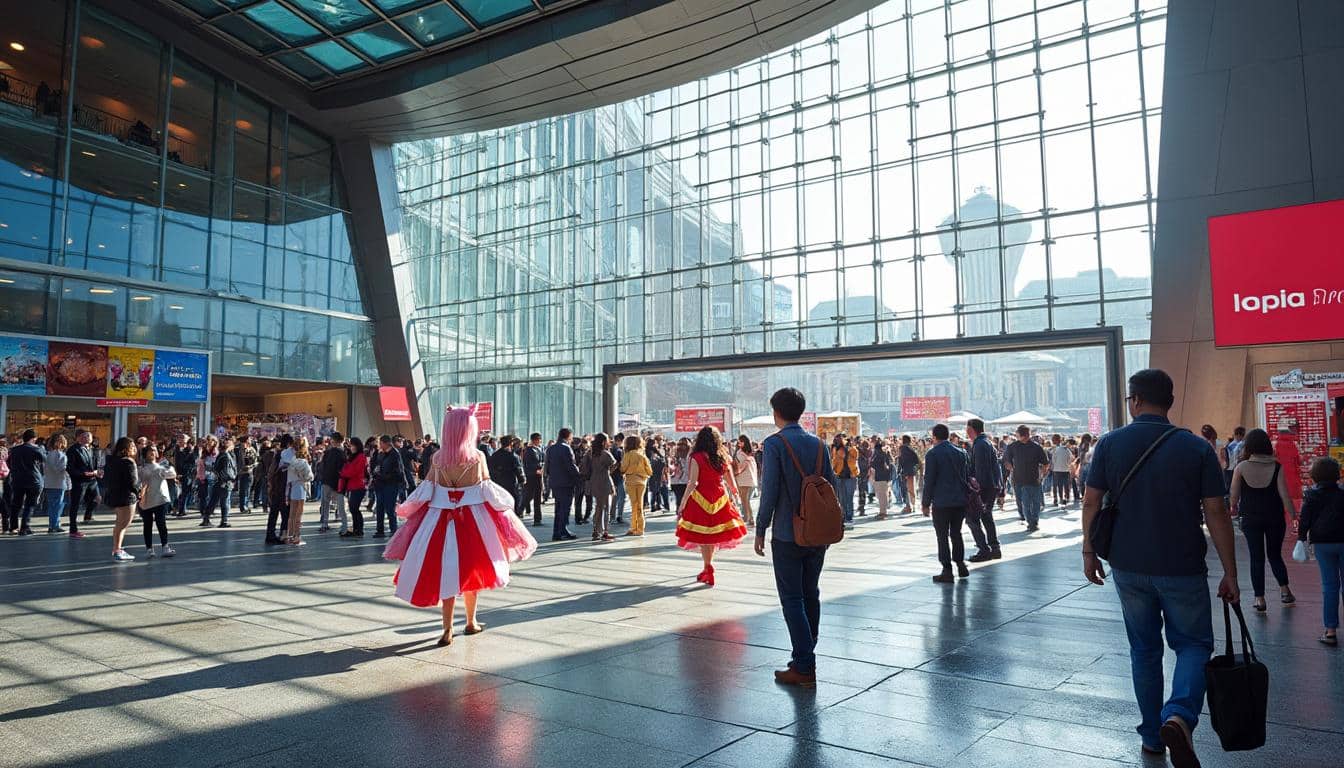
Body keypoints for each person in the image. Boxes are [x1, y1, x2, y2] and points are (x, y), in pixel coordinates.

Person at [1081, 368, 1239, 767]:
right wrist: (1231, 572)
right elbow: (1217, 512)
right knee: (1193, 644)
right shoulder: (1195, 448)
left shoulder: (1110, 443)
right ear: (1169, 402)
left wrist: (1088, 551)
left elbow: (1091, 502)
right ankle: (1180, 716)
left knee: (1144, 650)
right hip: (1182, 564)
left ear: (1134, 400)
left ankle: (1153, 735)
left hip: (1128, 565)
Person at [383, 406, 537, 646]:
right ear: (468, 430)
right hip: (474, 522)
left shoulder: (436, 458)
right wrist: (507, 505)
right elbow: (487, 488)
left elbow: (426, 490)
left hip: (438, 521)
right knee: (471, 572)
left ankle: (447, 630)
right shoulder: (477, 458)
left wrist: (407, 508)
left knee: (445, 572)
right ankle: (471, 621)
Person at [754, 388, 835, 687]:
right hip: (817, 532)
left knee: (791, 597)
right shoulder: (818, 444)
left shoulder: (774, 444)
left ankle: (803, 665)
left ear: (776, 412)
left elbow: (770, 490)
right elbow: (831, 486)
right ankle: (805, 653)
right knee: (810, 592)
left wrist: (761, 527)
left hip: (788, 534)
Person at [1228, 428, 1296, 612]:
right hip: (1274, 517)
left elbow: (1234, 496)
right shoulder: (1277, 466)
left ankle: (1260, 598)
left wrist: (1233, 508)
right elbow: (1284, 494)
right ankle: (1285, 590)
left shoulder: (1241, 467)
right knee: (1274, 555)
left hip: (1250, 518)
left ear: (1248, 446)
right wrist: (1294, 515)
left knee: (1256, 557)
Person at [674, 426, 748, 585]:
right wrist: (735, 493)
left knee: (703, 536)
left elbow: (693, 482)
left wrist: (683, 502)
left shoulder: (696, 457)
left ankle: (708, 567)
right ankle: (708, 568)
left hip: (700, 499)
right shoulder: (722, 455)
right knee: (713, 536)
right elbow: (729, 479)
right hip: (720, 498)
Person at [1297, 457, 1344, 646]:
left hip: (1323, 543)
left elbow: (1305, 519)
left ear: (1315, 476)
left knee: (1329, 586)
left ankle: (1330, 630)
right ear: (1337, 475)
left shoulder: (1311, 495)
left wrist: (1301, 538)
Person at [922, 424, 971, 583]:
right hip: (959, 500)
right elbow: (967, 475)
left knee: (942, 536)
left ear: (934, 436)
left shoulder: (933, 454)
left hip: (942, 501)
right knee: (956, 533)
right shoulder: (961, 452)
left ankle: (947, 569)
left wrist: (925, 502)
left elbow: (929, 480)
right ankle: (961, 563)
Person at [964, 419, 1003, 561]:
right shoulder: (985, 442)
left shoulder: (980, 444)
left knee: (972, 519)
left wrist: (977, 491)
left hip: (984, 488)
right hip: (990, 486)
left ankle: (984, 549)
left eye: (967, 428)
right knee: (987, 518)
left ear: (972, 429)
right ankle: (994, 548)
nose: (966, 432)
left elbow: (981, 470)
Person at [1003, 425, 1049, 532]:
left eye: (1018, 434)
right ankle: (1031, 522)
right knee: (1025, 503)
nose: (1016, 436)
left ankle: (1034, 522)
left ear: (1022, 435)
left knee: (1034, 502)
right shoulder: (1013, 446)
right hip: (1019, 480)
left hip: (1033, 479)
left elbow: (1046, 464)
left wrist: (1042, 475)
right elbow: (1006, 460)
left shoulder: (1036, 447)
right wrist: (1010, 467)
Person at [105, 437, 143, 562]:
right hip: (127, 497)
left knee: (119, 524)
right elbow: (133, 482)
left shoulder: (112, 461)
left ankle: (117, 548)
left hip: (115, 494)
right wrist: (139, 491)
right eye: (132, 447)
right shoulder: (128, 462)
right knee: (123, 524)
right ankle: (117, 550)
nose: (135, 449)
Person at [137, 444, 176, 558]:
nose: (152, 452)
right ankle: (149, 548)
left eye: (154, 450)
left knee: (161, 523)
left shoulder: (162, 466)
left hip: (160, 498)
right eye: (150, 451)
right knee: (147, 524)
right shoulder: (141, 468)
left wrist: (169, 468)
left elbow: (172, 474)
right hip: (146, 500)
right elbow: (138, 482)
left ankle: (165, 546)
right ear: (145, 454)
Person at [5, 429, 43, 536]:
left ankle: (13, 527)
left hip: (17, 479)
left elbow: (8, 463)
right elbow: (44, 460)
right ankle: (25, 527)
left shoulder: (14, 450)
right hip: (33, 480)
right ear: (34, 439)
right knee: (29, 505)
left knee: (16, 504)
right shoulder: (36, 449)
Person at [546, 428, 581, 541]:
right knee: (565, 508)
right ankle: (562, 530)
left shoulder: (551, 449)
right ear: (568, 436)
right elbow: (571, 465)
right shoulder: (566, 448)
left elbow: (547, 466)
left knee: (558, 507)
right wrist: (578, 477)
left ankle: (557, 532)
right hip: (566, 482)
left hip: (555, 482)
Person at [65, 429, 99, 538]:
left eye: (89, 436)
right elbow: (70, 468)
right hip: (80, 481)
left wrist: (97, 472)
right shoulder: (73, 450)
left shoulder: (91, 449)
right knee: (75, 504)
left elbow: (93, 464)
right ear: (79, 438)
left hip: (92, 480)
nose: (88, 438)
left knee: (97, 498)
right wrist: (84, 474)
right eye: (85, 436)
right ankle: (73, 529)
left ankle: (88, 515)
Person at [371, 435, 406, 539]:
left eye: (381, 443)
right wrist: (376, 472)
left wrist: (383, 476)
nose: (379, 445)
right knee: (380, 507)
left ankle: (393, 529)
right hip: (380, 484)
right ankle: (380, 530)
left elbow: (398, 471)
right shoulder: (381, 454)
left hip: (390, 484)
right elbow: (377, 465)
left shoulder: (395, 454)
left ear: (386, 443)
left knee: (390, 508)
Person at [585, 433, 616, 542]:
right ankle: (604, 532)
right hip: (605, 481)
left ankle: (596, 530)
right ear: (603, 442)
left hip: (594, 481)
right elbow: (613, 465)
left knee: (598, 507)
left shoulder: (590, 453)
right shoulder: (605, 454)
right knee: (606, 507)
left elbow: (584, 467)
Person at [619, 435, 653, 537]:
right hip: (642, 481)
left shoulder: (628, 454)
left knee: (634, 504)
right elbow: (650, 471)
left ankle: (633, 528)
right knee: (640, 504)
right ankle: (640, 529)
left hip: (631, 481)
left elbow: (623, 468)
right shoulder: (642, 455)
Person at [285, 437, 314, 546]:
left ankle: (289, 535)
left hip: (293, 487)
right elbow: (309, 476)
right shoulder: (303, 462)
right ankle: (296, 536)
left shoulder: (291, 461)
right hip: (301, 487)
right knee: (299, 514)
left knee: (292, 514)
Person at [317, 431, 347, 534]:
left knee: (325, 503)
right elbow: (343, 469)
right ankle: (343, 522)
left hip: (326, 480)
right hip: (337, 481)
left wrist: (322, 477)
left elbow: (322, 466)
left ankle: (324, 523)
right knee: (340, 503)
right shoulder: (342, 454)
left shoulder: (327, 452)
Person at [487, 436, 525, 517]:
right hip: (511, 482)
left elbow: (490, 468)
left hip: (498, 482)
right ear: (511, 443)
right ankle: (514, 515)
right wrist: (522, 479)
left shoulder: (495, 455)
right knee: (514, 499)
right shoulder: (513, 456)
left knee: (501, 501)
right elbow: (518, 469)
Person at [339, 437, 368, 538]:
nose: (351, 447)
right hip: (352, 486)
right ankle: (356, 528)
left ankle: (359, 529)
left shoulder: (361, 457)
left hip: (358, 485)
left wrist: (343, 473)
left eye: (352, 445)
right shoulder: (352, 456)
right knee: (353, 508)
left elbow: (353, 471)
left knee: (354, 508)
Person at [1273, 426, 1304, 518]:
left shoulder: (1274, 444)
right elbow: (1300, 461)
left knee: (1280, 498)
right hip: (1293, 477)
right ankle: (1294, 518)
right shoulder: (1295, 444)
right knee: (1295, 500)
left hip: (1278, 476)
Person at [41, 433, 69, 534]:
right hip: (58, 483)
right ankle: (54, 526)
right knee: (56, 506)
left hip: (49, 482)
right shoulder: (59, 454)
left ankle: (53, 525)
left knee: (53, 505)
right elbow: (58, 469)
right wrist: (67, 468)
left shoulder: (49, 454)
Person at [830, 435, 859, 526]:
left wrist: (847, 450)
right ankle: (844, 515)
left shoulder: (853, 450)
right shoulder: (836, 450)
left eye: (841, 440)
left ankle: (849, 516)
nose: (839, 441)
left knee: (849, 498)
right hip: (840, 476)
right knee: (841, 498)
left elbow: (854, 459)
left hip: (851, 476)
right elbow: (834, 462)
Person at [732, 435, 758, 525]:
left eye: (741, 441)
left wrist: (736, 472)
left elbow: (741, 467)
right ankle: (749, 517)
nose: (739, 443)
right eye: (739, 441)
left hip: (746, 478)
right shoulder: (741, 452)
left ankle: (749, 518)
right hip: (743, 478)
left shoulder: (745, 453)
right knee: (745, 500)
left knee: (745, 499)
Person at [521, 433, 545, 527]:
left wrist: (542, 467)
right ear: (534, 440)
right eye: (539, 439)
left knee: (537, 497)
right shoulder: (529, 450)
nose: (540, 441)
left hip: (538, 475)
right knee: (529, 495)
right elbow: (528, 464)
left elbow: (541, 460)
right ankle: (520, 510)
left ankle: (537, 519)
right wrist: (536, 469)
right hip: (532, 476)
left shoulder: (538, 449)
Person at [868, 438, 895, 519]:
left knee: (881, 496)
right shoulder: (885, 454)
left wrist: (871, 477)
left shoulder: (877, 455)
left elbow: (873, 466)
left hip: (879, 477)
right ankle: (883, 511)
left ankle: (883, 513)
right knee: (884, 495)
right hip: (886, 477)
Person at [897, 435, 920, 515]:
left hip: (906, 472)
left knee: (906, 490)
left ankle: (908, 507)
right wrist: (914, 469)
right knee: (912, 489)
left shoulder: (902, 448)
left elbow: (901, 460)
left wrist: (899, 471)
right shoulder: (912, 449)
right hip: (912, 471)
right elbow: (917, 460)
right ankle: (913, 506)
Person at [1050, 434, 1073, 506]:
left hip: (1056, 469)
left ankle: (1057, 499)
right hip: (1066, 469)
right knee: (1065, 484)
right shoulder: (1067, 450)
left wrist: (1054, 465)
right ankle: (1066, 497)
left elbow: (1053, 460)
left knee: (1056, 485)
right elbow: (1070, 459)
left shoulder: (1055, 449)